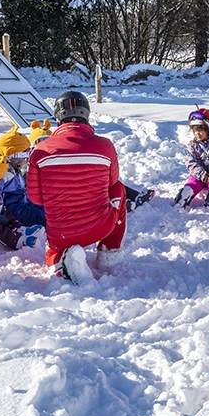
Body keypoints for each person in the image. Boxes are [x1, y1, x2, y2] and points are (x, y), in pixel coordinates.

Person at [27, 91, 126, 283]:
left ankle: (60, 262)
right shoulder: (105, 145)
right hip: (100, 227)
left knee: (54, 244)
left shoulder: (40, 151)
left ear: (57, 118)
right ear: (86, 115)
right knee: (119, 189)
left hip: (61, 234)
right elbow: (112, 182)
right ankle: (109, 253)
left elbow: (35, 199)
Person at [174, 108, 209, 209]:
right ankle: (185, 195)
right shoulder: (193, 145)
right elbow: (191, 162)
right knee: (193, 182)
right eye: (195, 130)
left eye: (201, 130)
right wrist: (202, 175)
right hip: (199, 175)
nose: (198, 133)